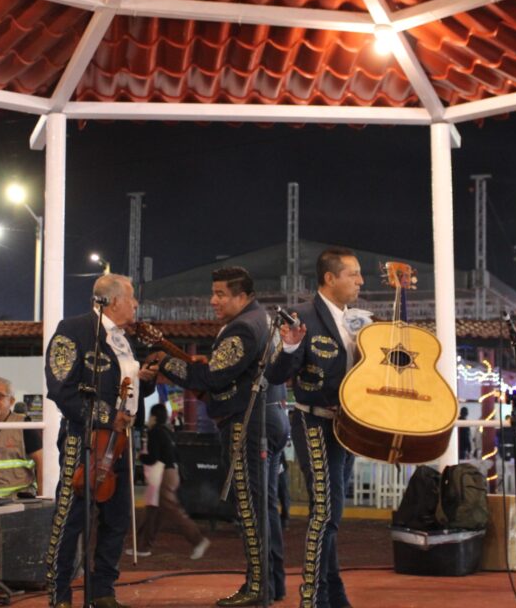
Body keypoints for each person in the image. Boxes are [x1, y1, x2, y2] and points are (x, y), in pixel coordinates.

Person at [154, 266, 288, 607]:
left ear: (242, 296)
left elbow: (212, 376)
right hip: (267, 419)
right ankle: (271, 584)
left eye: (221, 294)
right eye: (213, 293)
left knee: (252, 509)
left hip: (249, 425)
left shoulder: (244, 327)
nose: (213, 301)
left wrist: (166, 364)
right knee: (264, 507)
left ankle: (258, 588)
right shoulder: (260, 320)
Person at [267, 248, 366, 608]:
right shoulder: (300, 316)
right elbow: (274, 374)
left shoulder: (358, 320)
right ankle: (312, 597)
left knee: (332, 514)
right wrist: (290, 348)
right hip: (313, 422)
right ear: (330, 278)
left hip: (349, 428)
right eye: (353, 274)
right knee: (325, 512)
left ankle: (333, 593)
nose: (360, 281)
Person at [44, 274, 143, 608]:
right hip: (83, 436)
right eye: (131, 298)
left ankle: (103, 590)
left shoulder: (126, 340)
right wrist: (104, 416)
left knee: (116, 518)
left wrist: (148, 382)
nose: (135, 304)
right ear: (113, 301)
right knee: (71, 515)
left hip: (121, 441)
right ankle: (59, 593)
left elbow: (128, 386)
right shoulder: (73, 329)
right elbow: (61, 387)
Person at [129, 403, 211, 559]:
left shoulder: (154, 432)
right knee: (154, 511)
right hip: (173, 473)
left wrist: (140, 457)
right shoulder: (168, 431)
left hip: (163, 474)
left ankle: (198, 540)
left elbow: (154, 457)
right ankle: (143, 547)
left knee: (172, 509)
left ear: (153, 417)